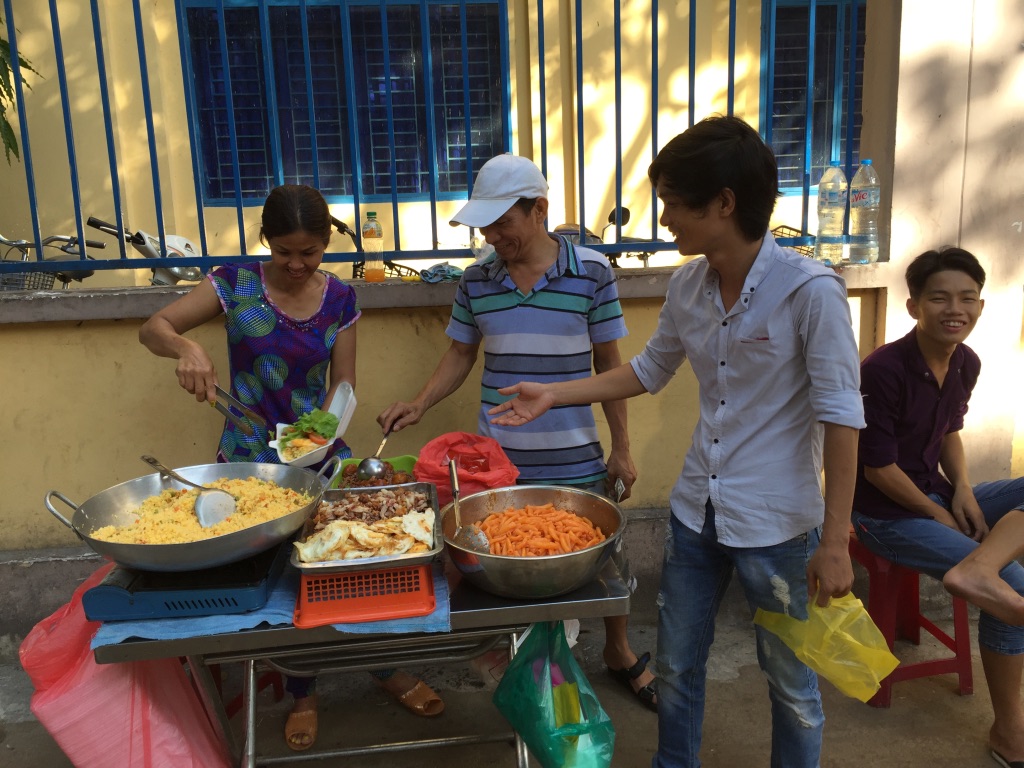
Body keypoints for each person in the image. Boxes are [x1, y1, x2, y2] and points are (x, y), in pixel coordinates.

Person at [489, 116, 865, 767]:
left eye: (674, 202)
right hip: (697, 514)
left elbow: (842, 416)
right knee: (679, 672)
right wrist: (556, 393)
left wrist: (835, 541)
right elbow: (646, 371)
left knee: (792, 686)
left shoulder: (810, 293)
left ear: (724, 202)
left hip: (778, 524)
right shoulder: (689, 283)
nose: (664, 219)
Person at [138, 184, 443, 752]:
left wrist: (315, 436)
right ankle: (302, 691)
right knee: (284, 585)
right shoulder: (233, 285)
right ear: (265, 243)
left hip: (317, 454)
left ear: (327, 243)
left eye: (309, 252)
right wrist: (187, 349)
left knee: (355, 567)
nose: (297, 265)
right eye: (284, 252)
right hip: (251, 464)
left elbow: (342, 384)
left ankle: (381, 666)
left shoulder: (341, 300)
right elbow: (152, 327)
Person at [377, 152, 657, 711]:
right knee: (504, 568)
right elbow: (461, 353)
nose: (492, 234)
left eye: (503, 221)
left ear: (539, 211)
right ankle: (532, 672)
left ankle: (619, 652)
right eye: (486, 224)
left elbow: (611, 364)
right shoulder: (477, 279)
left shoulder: (593, 272)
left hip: (575, 453)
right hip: (498, 463)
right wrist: (421, 402)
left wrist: (621, 449)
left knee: (605, 562)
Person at [850, 247, 1024, 768]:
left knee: (1000, 557)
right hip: (886, 515)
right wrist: (939, 515)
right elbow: (877, 470)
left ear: (980, 306)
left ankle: (978, 566)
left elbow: (950, 432)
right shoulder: (882, 370)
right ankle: (1009, 732)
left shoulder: (965, 361)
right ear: (913, 307)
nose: (956, 309)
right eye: (940, 298)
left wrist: (964, 491)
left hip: (938, 494)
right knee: (1012, 584)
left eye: (967, 298)